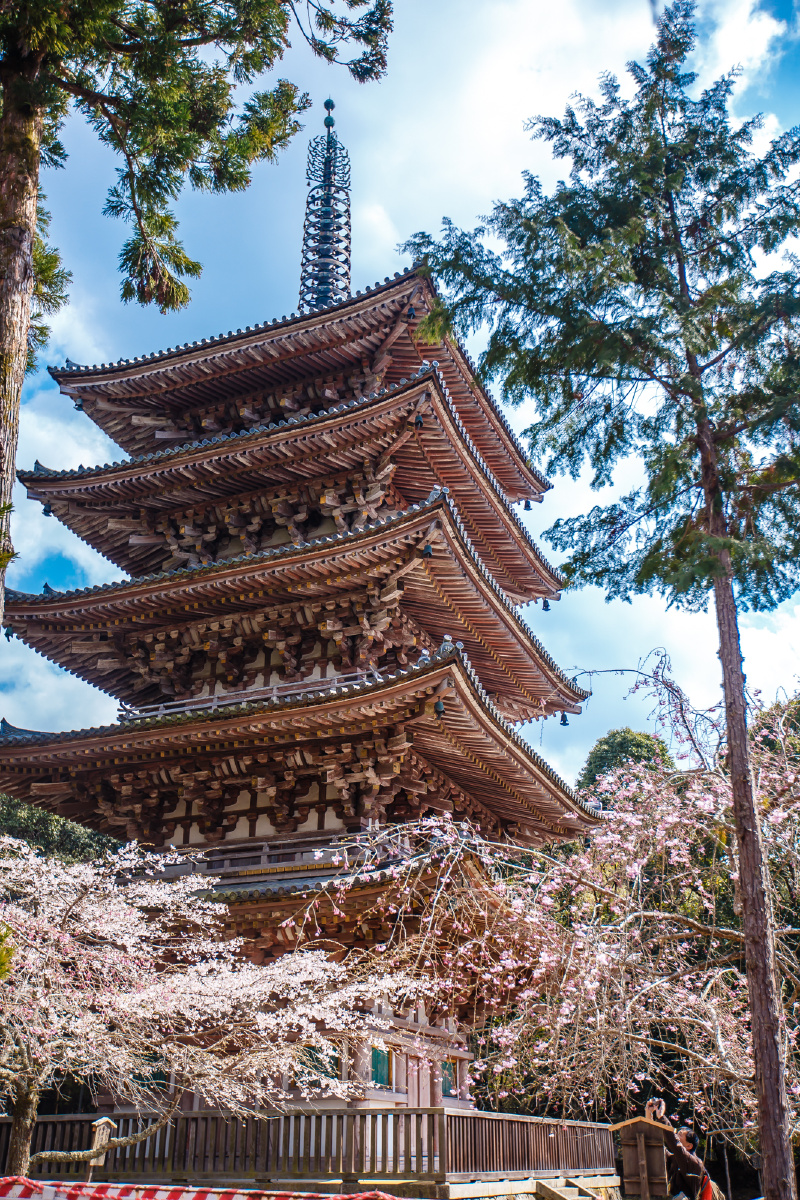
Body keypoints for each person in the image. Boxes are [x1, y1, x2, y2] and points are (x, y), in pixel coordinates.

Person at [644, 1099, 712, 1200]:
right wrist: (649, 1114)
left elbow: (675, 1145)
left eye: (679, 1135)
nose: (675, 1135)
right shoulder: (674, 1158)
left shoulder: (695, 1163)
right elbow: (655, 1144)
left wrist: (662, 1117)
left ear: (689, 1146)